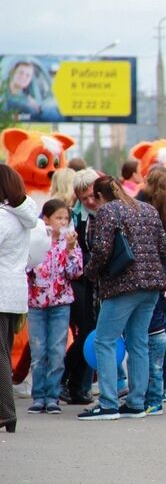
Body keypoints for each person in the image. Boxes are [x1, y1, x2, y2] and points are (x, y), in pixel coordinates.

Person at [78, 176, 166, 421]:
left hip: (122, 285)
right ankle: (136, 403)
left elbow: (102, 250)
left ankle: (108, 404)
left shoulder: (108, 211)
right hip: (151, 286)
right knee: (138, 342)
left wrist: (89, 273)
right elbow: (165, 249)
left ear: (100, 196)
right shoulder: (148, 209)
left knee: (104, 341)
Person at [26, 199, 83, 415]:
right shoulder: (36, 240)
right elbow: (27, 267)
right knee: (38, 351)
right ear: (46, 219)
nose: (63, 222)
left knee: (57, 351)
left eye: (66, 218)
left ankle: (52, 396)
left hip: (61, 304)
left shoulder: (70, 243)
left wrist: (70, 250)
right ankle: (38, 396)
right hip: (36, 304)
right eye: (58, 218)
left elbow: (75, 272)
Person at [135, 166, 166, 411]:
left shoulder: (135, 207)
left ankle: (143, 388)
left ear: (145, 180)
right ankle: (161, 388)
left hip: (141, 274)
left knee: (140, 335)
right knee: (163, 335)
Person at [0, 166, 39, 432]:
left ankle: (5, 412)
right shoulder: (21, 216)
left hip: (2, 289)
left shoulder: (3, 218)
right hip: (14, 290)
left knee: (1, 353)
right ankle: (7, 413)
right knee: (4, 348)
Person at [61, 168, 100, 405]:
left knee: (93, 334)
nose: (90, 201)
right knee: (86, 333)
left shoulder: (108, 211)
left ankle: (76, 385)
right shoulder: (73, 217)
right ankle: (70, 381)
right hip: (78, 282)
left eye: (93, 195)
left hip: (100, 282)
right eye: (84, 198)